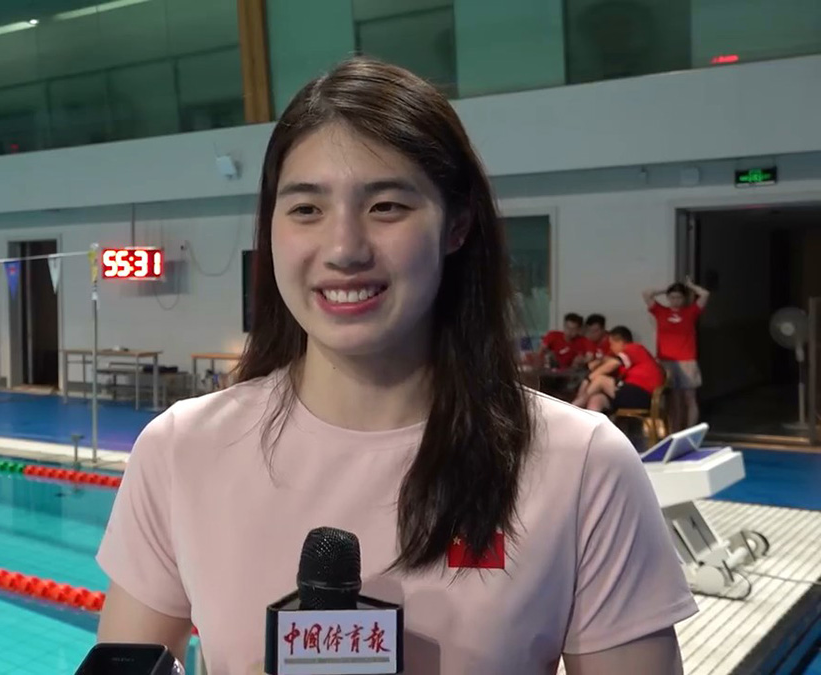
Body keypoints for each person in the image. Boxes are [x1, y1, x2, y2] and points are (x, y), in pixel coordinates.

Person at [94, 57, 695, 674]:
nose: (344, 249)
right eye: (306, 209)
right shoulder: (181, 452)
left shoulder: (580, 465)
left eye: (386, 206)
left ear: (457, 225)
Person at [643, 278, 710, 430]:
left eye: (679, 297)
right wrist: (666, 289)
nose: (675, 300)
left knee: (689, 398)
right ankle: (674, 430)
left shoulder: (691, 311)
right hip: (666, 361)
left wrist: (690, 286)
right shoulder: (660, 311)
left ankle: (690, 430)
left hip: (687, 360)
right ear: (668, 298)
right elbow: (646, 294)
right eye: (672, 297)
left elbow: (705, 294)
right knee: (672, 399)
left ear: (684, 298)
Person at [571, 326, 666, 414]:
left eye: (612, 344)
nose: (611, 348)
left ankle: (574, 408)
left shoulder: (634, 348)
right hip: (628, 393)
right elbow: (609, 362)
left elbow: (614, 363)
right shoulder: (627, 361)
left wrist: (588, 379)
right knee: (596, 399)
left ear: (620, 342)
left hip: (642, 395)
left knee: (600, 380)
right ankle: (590, 424)